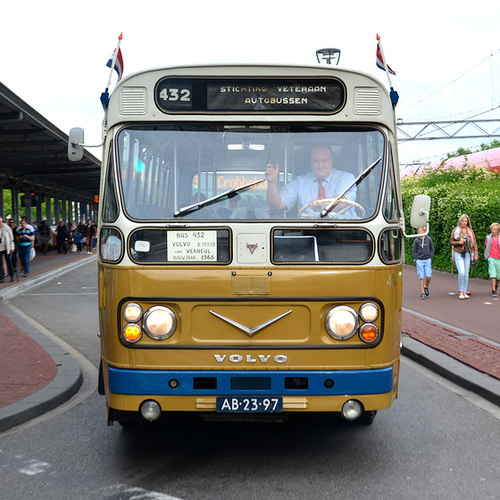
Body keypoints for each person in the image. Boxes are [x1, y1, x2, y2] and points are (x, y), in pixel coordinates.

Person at [265, 143, 356, 217]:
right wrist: (272, 183)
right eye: (315, 161)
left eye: (324, 161)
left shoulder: (346, 178)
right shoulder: (300, 182)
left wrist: (321, 205)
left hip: (343, 233)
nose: (320, 165)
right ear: (310, 161)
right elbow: (276, 205)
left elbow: (342, 202)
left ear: (331, 160)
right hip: (307, 234)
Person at [450, 214, 478, 300]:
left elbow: (475, 243)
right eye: (463, 221)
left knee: (466, 273)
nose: (464, 223)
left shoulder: (470, 231)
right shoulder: (456, 230)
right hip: (458, 253)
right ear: (460, 221)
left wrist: (476, 254)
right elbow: (451, 241)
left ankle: (464, 290)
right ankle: (461, 291)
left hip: (468, 253)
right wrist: (458, 242)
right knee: (461, 272)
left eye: (466, 221)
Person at [412, 227, 434, 299]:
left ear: (424, 231)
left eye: (421, 230)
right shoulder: (417, 241)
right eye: (419, 230)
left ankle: (426, 287)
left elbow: (431, 248)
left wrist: (430, 256)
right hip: (420, 260)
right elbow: (414, 250)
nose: (420, 232)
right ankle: (422, 292)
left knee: (428, 276)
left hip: (427, 259)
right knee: (421, 277)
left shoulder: (428, 239)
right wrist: (416, 259)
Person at [484, 222, 500, 298]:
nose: (493, 231)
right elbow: (485, 246)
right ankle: (493, 290)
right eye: (492, 229)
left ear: (498, 230)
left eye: (494, 229)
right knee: (493, 274)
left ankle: (496, 286)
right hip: (491, 258)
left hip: (499, 259)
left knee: (498, 276)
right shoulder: (489, 238)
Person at [0, 216, 15, 283]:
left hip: (7, 247)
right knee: (0, 263)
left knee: (9, 261)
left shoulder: (7, 228)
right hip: (0, 247)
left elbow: (11, 239)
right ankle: (1, 277)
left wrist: (12, 247)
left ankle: (12, 275)